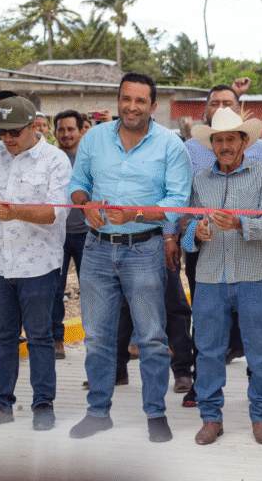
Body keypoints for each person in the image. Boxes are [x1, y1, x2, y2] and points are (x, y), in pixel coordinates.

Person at [67, 72, 192, 443]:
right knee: (97, 337)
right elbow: (77, 184)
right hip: (96, 249)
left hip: (145, 249)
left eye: (140, 101)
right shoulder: (94, 138)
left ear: (153, 105)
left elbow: (178, 201)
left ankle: (155, 414)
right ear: (118, 99)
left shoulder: (170, 145)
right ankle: (97, 413)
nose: (131, 107)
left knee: (151, 337)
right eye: (126, 99)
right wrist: (85, 203)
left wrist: (136, 214)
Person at [0, 96, 72, 431]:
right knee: (3, 337)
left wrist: (15, 212)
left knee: (39, 337)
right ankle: (0, 405)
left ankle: (43, 406)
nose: (7, 138)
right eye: (2, 131)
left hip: (38, 266)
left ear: (34, 126)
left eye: (14, 131)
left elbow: (56, 212)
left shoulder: (54, 160)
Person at [183, 108, 262, 445]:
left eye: (230, 139)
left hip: (254, 275)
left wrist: (239, 224)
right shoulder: (200, 180)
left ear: (244, 141)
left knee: (261, 351)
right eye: (218, 140)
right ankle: (211, 417)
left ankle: (261, 416)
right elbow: (186, 229)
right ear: (211, 144)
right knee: (207, 350)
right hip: (210, 276)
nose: (224, 146)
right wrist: (197, 232)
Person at [51, 110, 87, 360]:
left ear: (81, 131)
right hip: (56, 235)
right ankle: (56, 339)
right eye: (61, 129)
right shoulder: (49, 160)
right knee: (54, 290)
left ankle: (96, 341)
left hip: (87, 235)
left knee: (94, 291)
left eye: (70, 129)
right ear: (55, 133)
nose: (66, 134)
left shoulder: (89, 160)